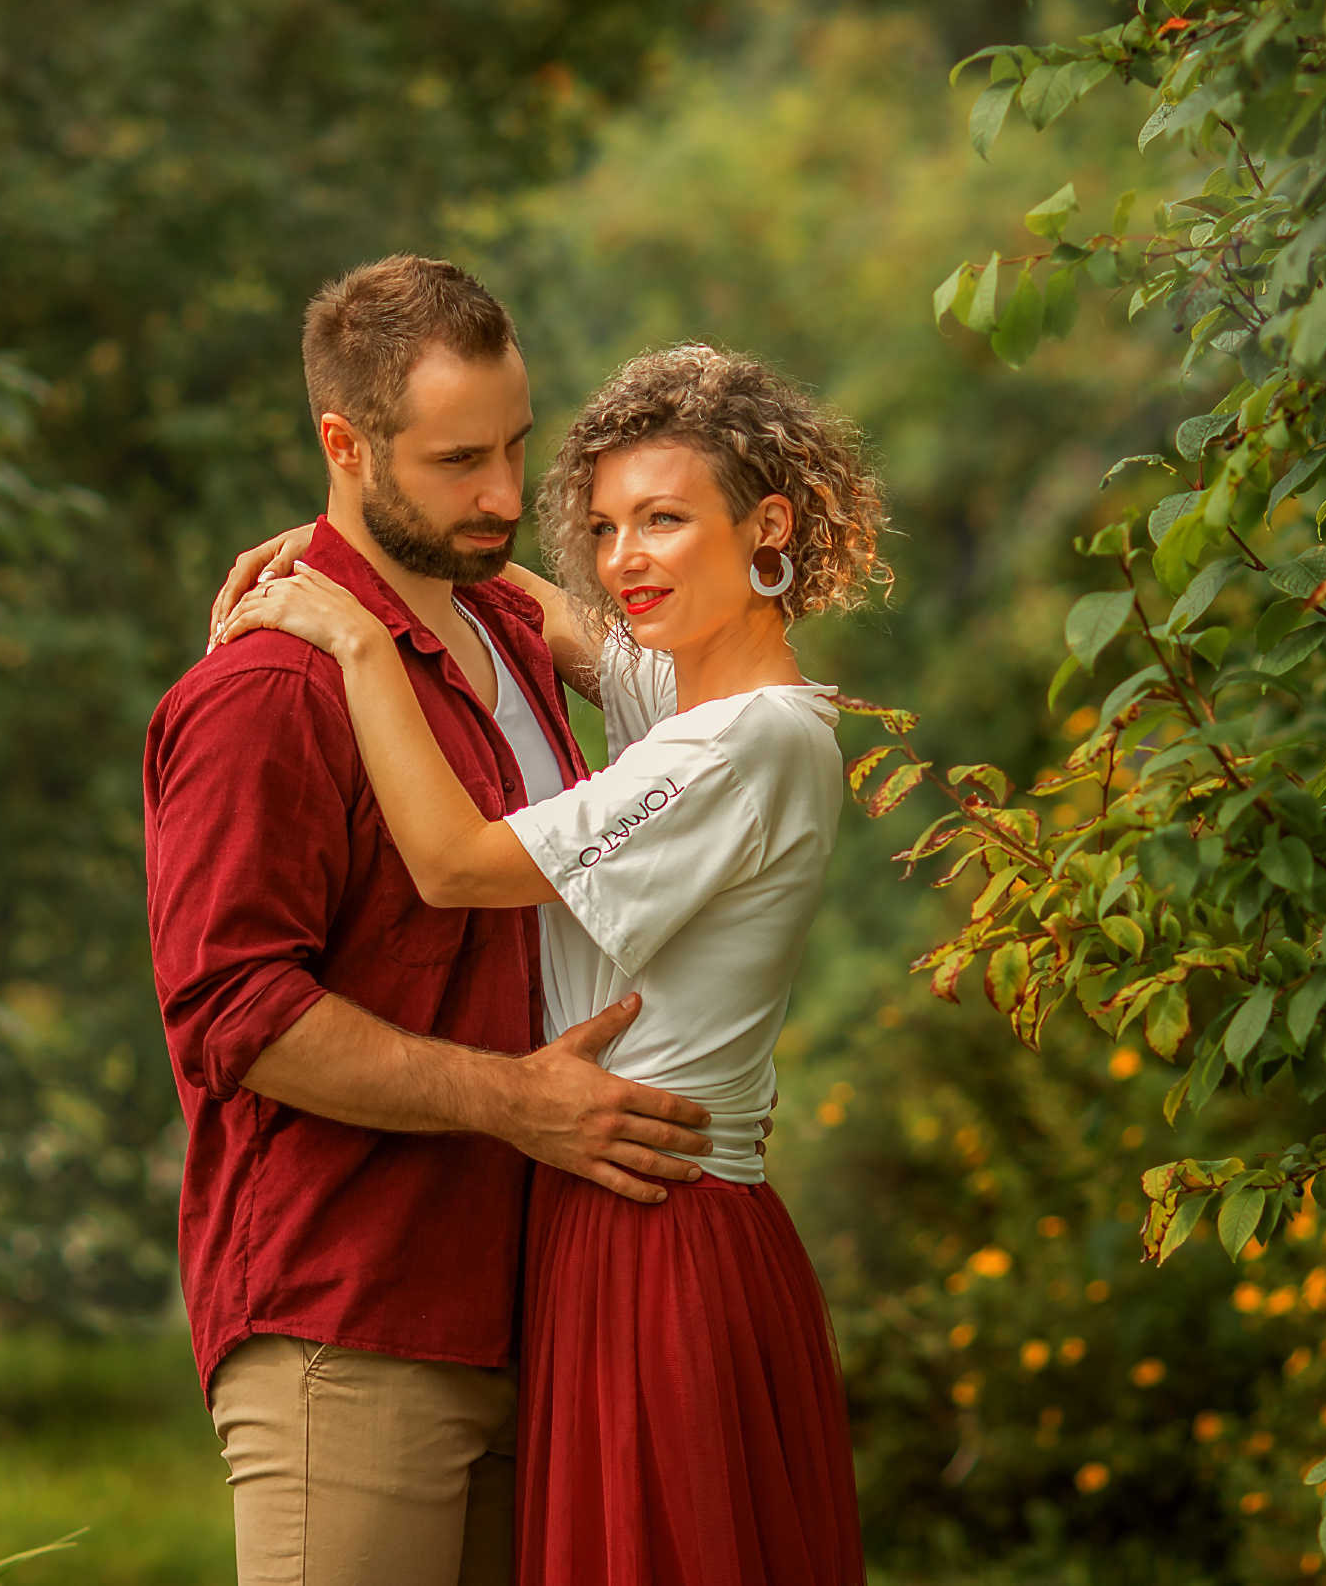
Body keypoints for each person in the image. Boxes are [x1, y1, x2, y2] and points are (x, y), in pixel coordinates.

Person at [217, 342, 884, 1586]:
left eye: (666, 520)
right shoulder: (688, 700)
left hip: (659, 1228)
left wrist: (359, 644)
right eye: (609, 524)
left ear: (769, 524)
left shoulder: (739, 745)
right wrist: (347, 528)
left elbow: (459, 864)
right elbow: (544, 611)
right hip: (607, 1218)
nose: (626, 558)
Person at [142, 256, 721, 1586]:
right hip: (350, 1330)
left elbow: (728, 713)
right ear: (343, 444)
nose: (507, 497)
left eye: (519, 445)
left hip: (534, 1311)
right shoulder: (266, 691)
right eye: (462, 459)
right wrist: (517, 1099)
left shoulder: (507, 622)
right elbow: (237, 1013)